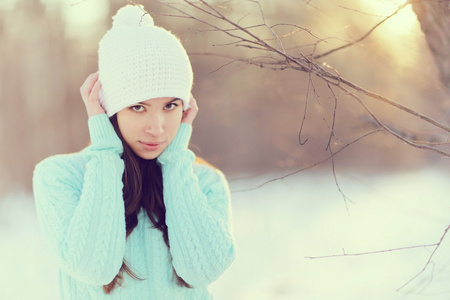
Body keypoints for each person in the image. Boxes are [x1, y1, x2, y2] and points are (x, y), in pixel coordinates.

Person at [32, 4, 236, 299]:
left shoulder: (205, 182)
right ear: (108, 108)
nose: (157, 127)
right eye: (138, 107)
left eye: (169, 106)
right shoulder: (60, 176)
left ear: (186, 107)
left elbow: (202, 271)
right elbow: (94, 268)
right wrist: (105, 150)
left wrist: (177, 161)